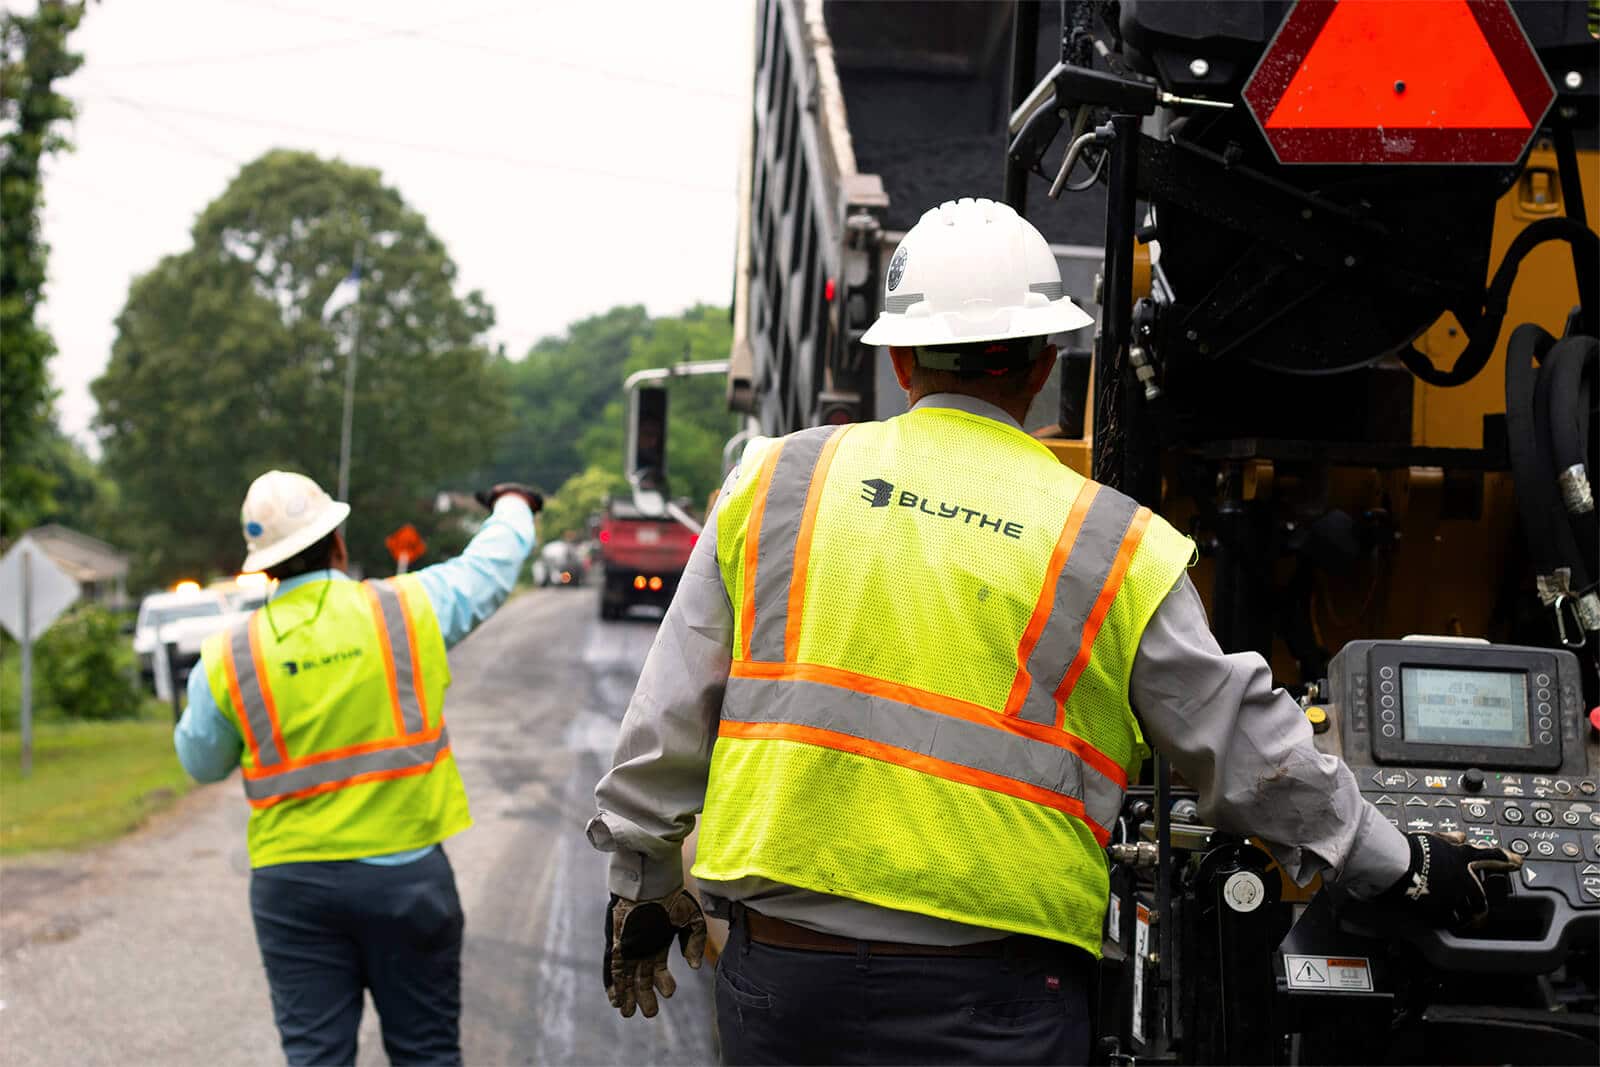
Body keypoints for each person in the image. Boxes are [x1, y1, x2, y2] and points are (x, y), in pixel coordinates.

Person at [586, 198, 1522, 1065]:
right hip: (996, 1000)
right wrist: (1397, 863)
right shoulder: (1111, 543)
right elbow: (1249, 754)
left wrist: (644, 879)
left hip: (790, 986)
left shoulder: (777, 481)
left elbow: (667, 717)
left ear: (902, 361)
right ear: (1043, 365)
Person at [174, 470, 541, 1066]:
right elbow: (489, 569)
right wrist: (514, 506)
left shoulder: (229, 655)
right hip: (407, 881)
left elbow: (200, 762)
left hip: (292, 890)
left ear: (262, 564)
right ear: (337, 543)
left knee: (316, 1058)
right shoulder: (405, 609)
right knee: (426, 1054)